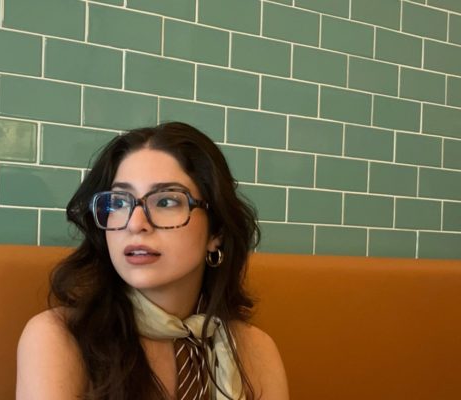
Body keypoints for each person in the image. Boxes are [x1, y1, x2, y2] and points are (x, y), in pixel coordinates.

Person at [16, 122, 289, 399]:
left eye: (166, 201)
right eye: (119, 203)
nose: (135, 224)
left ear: (216, 232)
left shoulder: (255, 350)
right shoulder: (60, 337)